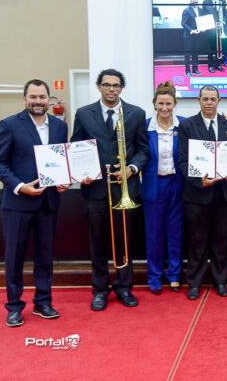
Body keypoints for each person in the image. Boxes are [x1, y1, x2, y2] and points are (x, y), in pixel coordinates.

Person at [0, 79, 69, 327]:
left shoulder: (60, 126)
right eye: (33, 97)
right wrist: (20, 186)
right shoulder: (9, 125)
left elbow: (60, 160)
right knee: (14, 257)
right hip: (17, 203)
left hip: (48, 202)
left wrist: (64, 180)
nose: (38, 101)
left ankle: (43, 301)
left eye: (42, 97)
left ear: (49, 99)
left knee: (45, 255)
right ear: (24, 99)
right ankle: (14, 306)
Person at [71, 69, 149, 311]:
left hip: (125, 188)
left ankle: (124, 287)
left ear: (121, 88)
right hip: (95, 189)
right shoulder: (84, 114)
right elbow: (76, 146)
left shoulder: (136, 113)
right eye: (107, 85)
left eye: (116, 85)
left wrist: (131, 169)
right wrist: (81, 171)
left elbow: (143, 150)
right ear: (99, 87)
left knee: (124, 241)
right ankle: (100, 289)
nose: (111, 89)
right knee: (97, 242)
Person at [177, 86, 227, 299]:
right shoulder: (186, 125)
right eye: (205, 99)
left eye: (213, 99)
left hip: (224, 193)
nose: (209, 102)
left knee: (221, 240)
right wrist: (198, 181)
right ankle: (195, 283)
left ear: (219, 101)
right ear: (199, 101)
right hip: (197, 194)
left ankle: (220, 281)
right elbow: (182, 160)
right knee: (197, 240)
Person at [142, 81, 185, 295]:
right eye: (161, 103)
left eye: (168, 103)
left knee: (176, 232)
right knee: (154, 234)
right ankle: (154, 276)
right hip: (154, 185)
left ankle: (174, 276)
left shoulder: (183, 125)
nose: (164, 108)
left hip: (177, 184)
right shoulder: (145, 127)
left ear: (174, 104)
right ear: (155, 104)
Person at [181, 0, 207, 76]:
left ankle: (195, 70)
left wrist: (203, 28)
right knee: (188, 55)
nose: (196, 1)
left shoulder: (199, 9)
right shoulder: (186, 10)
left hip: (197, 35)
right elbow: (183, 23)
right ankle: (187, 71)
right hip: (189, 36)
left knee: (195, 53)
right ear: (190, 0)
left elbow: (201, 21)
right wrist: (191, 30)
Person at [203, 0, 226, 73]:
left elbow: (224, 15)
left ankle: (218, 65)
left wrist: (222, 22)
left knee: (219, 49)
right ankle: (210, 66)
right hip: (210, 29)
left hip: (220, 29)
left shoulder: (223, 1)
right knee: (210, 49)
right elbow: (204, 15)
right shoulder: (206, 2)